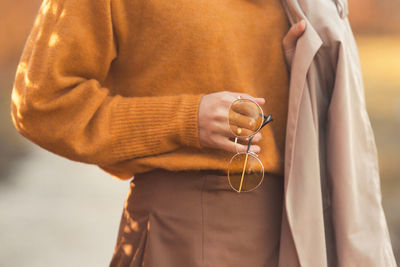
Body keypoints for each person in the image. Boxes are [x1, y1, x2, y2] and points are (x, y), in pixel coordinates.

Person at [14, 0, 394, 266]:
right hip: (189, 235)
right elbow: (42, 101)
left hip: (311, 221)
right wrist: (184, 120)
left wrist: (302, 75)